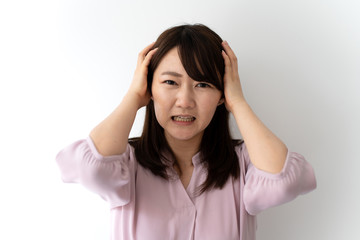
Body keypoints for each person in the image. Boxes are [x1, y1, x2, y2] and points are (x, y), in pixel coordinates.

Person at [56, 24, 316, 240]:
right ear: (149, 87)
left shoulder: (243, 165)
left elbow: (285, 180)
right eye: (170, 82)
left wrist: (238, 103)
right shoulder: (127, 164)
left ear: (221, 94)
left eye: (202, 84)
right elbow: (90, 167)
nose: (185, 100)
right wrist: (134, 97)